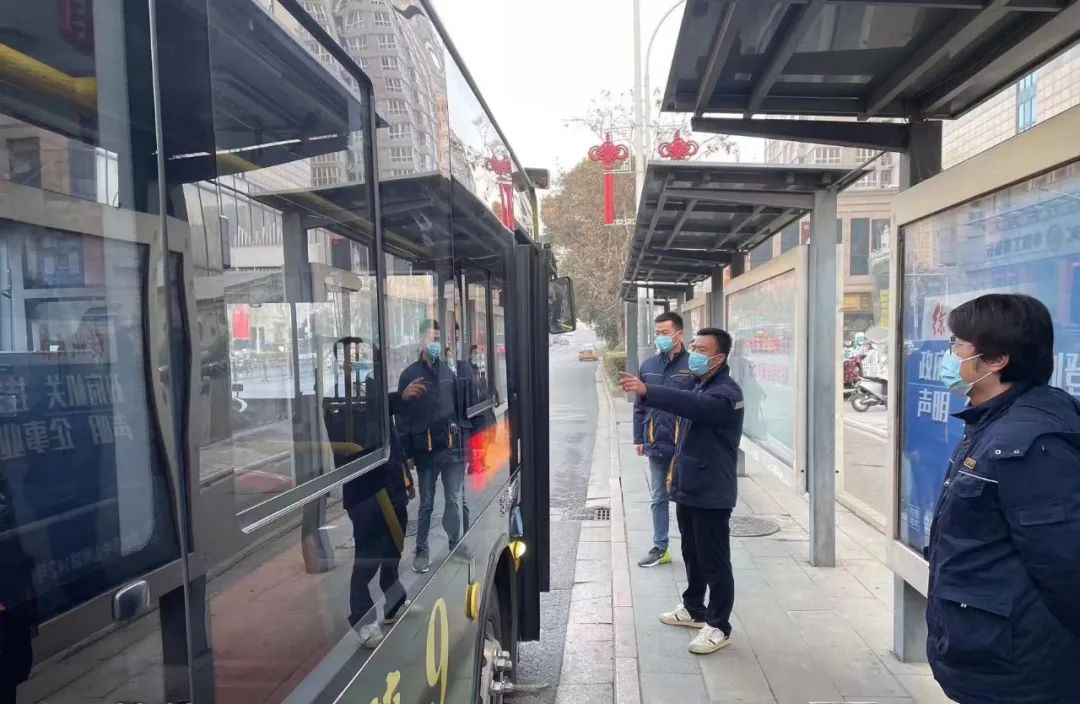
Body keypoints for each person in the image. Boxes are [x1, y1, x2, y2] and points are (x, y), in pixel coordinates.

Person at [925, 294, 1080, 704]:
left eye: (958, 345)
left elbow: (1064, 563)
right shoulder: (992, 422)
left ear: (996, 360)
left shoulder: (1028, 442)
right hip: (988, 650)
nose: (949, 356)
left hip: (1018, 666)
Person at [620, 328, 744, 655]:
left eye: (702, 350)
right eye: (694, 347)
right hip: (689, 486)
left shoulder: (726, 394)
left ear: (719, 357)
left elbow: (692, 405)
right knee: (692, 553)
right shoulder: (700, 383)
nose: (695, 353)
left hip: (712, 491)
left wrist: (648, 390)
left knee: (715, 561)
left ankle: (719, 625)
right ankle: (694, 609)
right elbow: (681, 394)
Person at [397, 320, 467, 574]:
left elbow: (458, 409)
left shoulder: (448, 371)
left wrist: (464, 443)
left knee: (453, 499)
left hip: (451, 448)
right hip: (425, 451)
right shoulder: (410, 375)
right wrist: (407, 455)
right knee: (426, 503)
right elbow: (402, 418)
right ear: (421, 341)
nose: (436, 343)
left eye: (439, 338)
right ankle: (421, 551)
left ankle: (455, 543)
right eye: (432, 338)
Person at [632, 312, 695, 568]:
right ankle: (660, 547)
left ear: (679, 334)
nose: (660, 337)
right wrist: (638, 437)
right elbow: (639, 405)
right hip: (656, 441)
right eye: (657, 333)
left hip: (686, 445)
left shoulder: (693, 366)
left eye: (665, 333)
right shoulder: (648, 366)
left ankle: (693, 548)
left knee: (687, 499)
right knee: (658, 497)